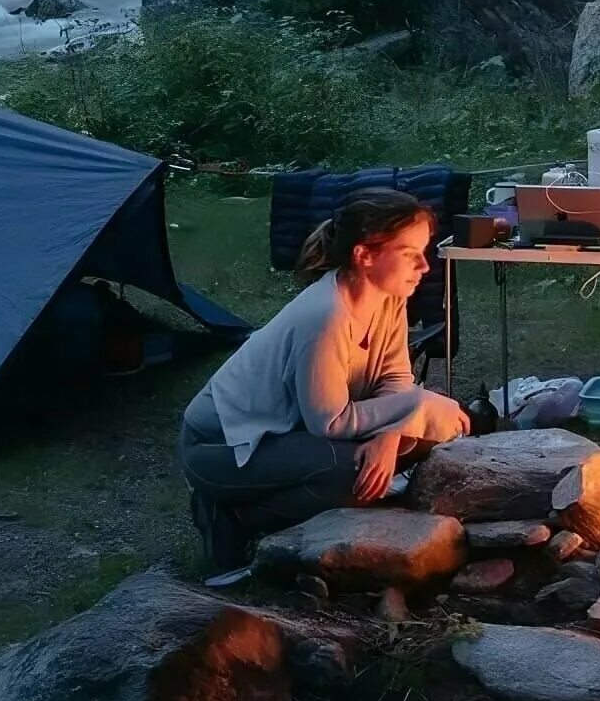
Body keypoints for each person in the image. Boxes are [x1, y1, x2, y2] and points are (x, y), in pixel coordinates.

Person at [179, 189, 472, 569]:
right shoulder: (326, 315)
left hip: (288, 435)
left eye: (424, 250)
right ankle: (231, 518)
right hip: (222, 449)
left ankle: (272, 509)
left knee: (407, 446)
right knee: (357, 475)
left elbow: (395, 374)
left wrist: (389, 434)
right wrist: (416, 405)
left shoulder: (388, 296)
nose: (424, 266)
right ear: (364, 255)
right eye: (409, 254)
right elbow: (329, 421)